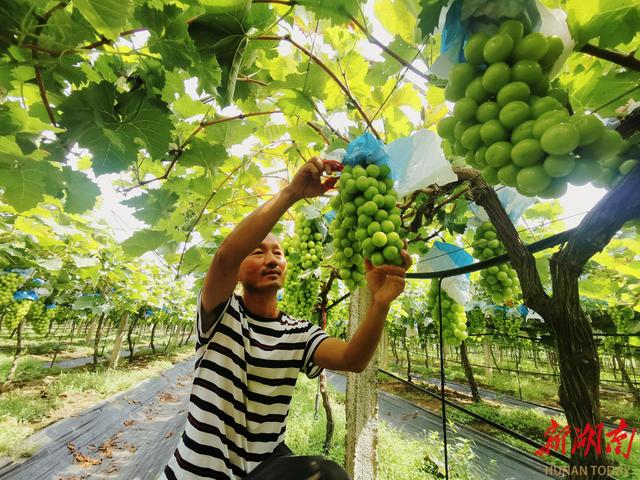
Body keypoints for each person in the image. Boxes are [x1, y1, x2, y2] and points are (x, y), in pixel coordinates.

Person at [162, 157, 412, 480]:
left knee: (330, 475)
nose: (270, 259)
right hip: (196, 474)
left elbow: (353, 358)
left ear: (286, 267)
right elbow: (225, 256)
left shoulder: (298, 332)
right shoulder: (221, 315)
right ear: (238, 268)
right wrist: (292, 193)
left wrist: (380, 304)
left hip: (261, 470)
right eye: (257, 251)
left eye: (278, 253)